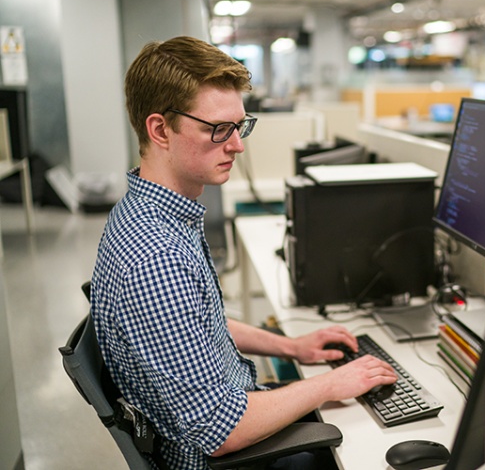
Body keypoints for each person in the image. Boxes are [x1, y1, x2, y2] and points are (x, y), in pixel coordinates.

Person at [90, 36, 397, 470]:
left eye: (239, 126)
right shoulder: (156, 257)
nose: (237, 145)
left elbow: (198, 326)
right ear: (160, 130)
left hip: (234, 423)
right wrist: (330, 383)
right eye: (218, 129)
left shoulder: (151, 214)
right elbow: (220, 429)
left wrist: (292, 347)